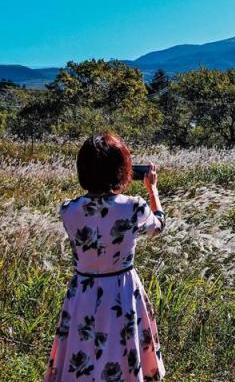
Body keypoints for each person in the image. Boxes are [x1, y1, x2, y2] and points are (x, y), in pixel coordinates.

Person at [44, 132, 166, 382]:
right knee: (122, 350)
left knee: (83, 348)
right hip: (121, 290)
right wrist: (152, 189)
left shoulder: (69, 210)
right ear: (120, 170)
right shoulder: (134, 206)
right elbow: (158, 227)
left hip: (83, 292)